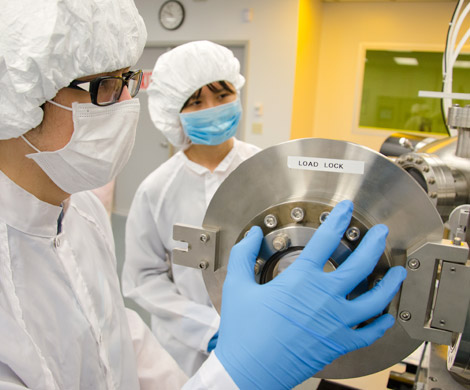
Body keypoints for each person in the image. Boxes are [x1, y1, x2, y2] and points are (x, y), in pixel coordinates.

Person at [0, 1, 407, 389]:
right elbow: (144, 281)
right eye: (105, 85)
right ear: (17, 98)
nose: (126, 105)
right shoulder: (154, 190)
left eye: (129, 81)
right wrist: (238, 371)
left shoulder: (82, 212)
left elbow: (116, 343)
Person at [122, 40, 261, 376]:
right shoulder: (156, 190)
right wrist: (207, 328)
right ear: (174, 113)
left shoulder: (264, 170)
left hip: (262, 334)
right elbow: (143, 278)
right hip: (184, 348)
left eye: (222, 96)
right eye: (196, 102)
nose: (211, 108)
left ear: (237, 94)